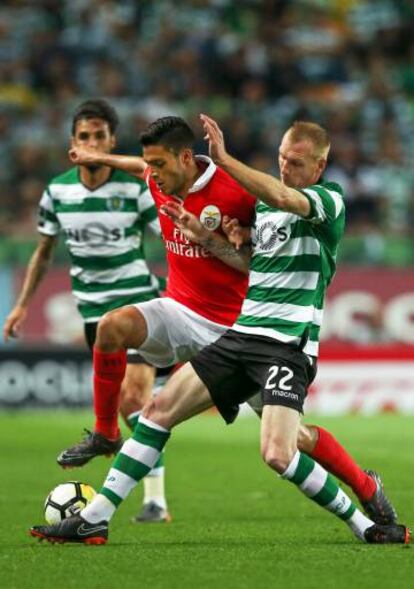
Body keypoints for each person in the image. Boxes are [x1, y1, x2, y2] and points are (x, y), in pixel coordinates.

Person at [29, 116, 406, 545]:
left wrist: (223, 160)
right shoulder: (264, 211)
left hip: (286, 347)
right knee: (156, 413)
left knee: (279, 453)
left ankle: (365, 518)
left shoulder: (329, 201)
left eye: (297, 163)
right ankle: (94, 518)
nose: (286, 169)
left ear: (319, 167)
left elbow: (283, 194)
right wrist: (208, 239)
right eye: (282, 160)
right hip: (241, 335)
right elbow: (249, 266)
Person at [3, 99, 171, 523]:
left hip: (137, 304)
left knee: (134, 398)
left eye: (100, 136)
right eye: (85, 136)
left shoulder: (134, 188)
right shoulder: (58, 191)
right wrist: (22, 306)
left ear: (112, 141)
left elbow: (171, 237)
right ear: (73, 143)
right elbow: (44, 252)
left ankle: (154, 501)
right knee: (129, 408)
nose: (93, 143)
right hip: (94, 313)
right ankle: (151, 494)